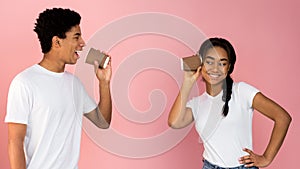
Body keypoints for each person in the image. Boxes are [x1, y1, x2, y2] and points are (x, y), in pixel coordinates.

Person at [5, 8, 112, 169]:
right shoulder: (24, 83)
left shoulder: (74, 84)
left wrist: (104, 83)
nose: (82, 43)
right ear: (57, 42)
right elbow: (15, 141)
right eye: (76, 37)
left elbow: (102, 122)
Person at [168, 37, 291, 169]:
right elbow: (174, 122)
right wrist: (187, 82)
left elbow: (283, 117)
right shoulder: (197, 104)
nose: (215, 69)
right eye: (209, 62)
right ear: (201, 64)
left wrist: (266, 158)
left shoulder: (241, 91)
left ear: (229, 67)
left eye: (222, 63)